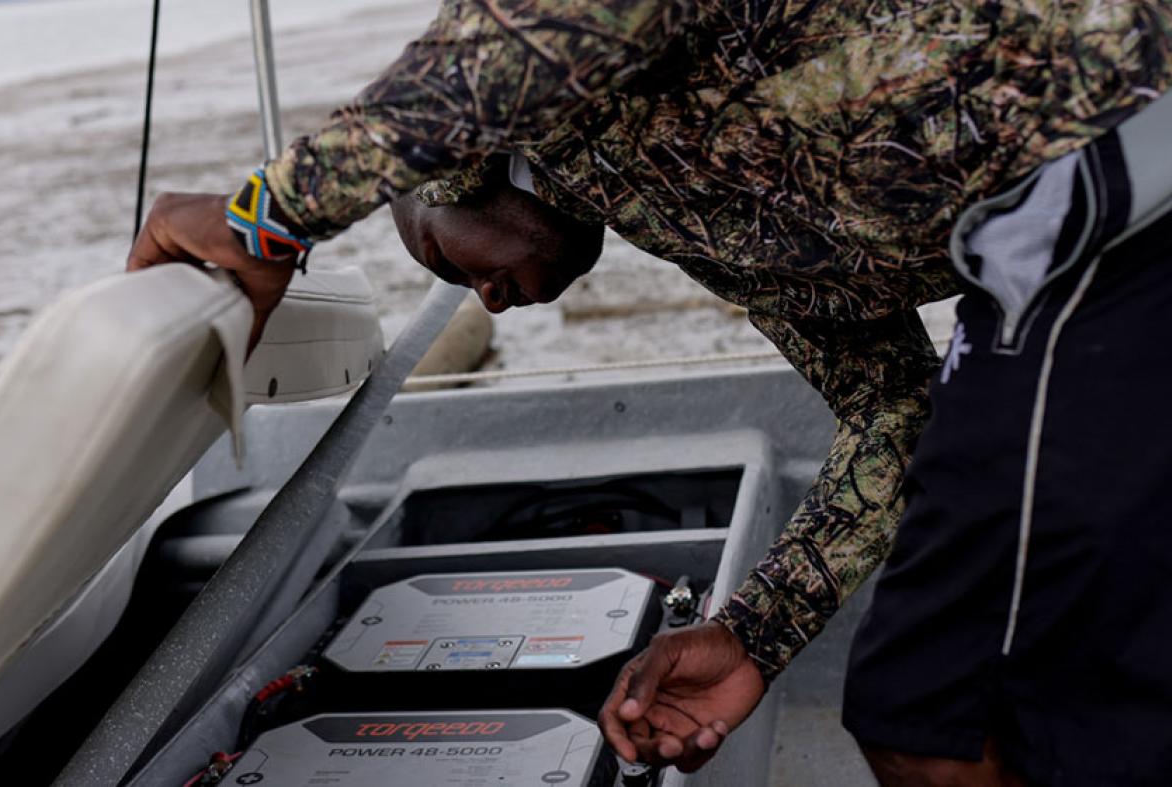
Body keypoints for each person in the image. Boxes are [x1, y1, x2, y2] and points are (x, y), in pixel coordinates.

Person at [126, 1, 1172, 783]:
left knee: (937, 711)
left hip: (1117, 158)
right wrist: (755, 630)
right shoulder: (701, 222)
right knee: (926, 705)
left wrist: (271, 215)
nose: (484, 295)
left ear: (466, 172)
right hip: (1058, 265)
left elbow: (526, 35)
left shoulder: (559, 73)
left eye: (451, 262)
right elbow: (890, 408)